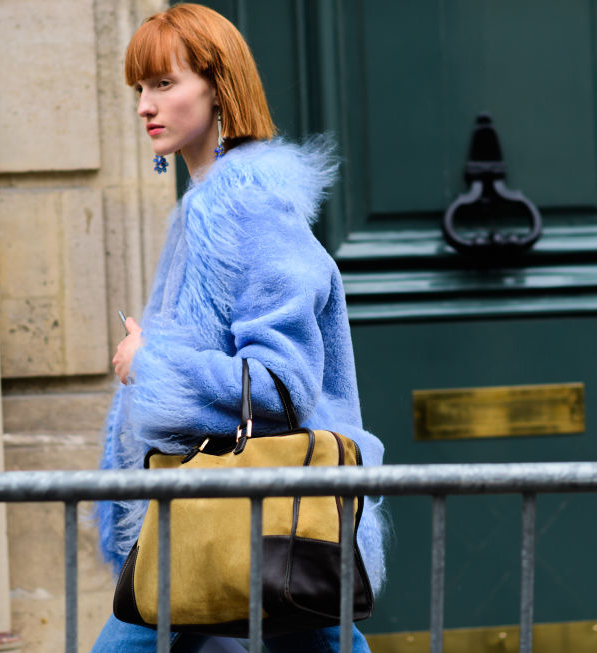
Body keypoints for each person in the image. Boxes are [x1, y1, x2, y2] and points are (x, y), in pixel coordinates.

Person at [90, 4, 385, 652]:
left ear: (218, 87)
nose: (145, 105)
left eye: (164, 84)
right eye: (140, 88)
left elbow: (283, 382)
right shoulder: (205, 210)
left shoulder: (247, 211)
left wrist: (151, 362)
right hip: (228, 510)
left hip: (242, 510)